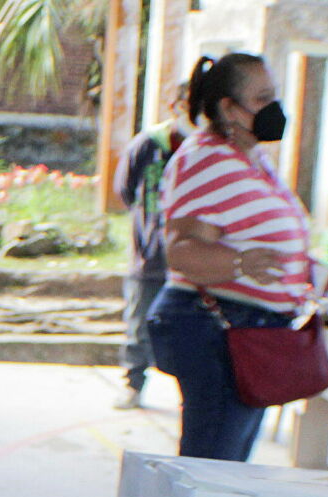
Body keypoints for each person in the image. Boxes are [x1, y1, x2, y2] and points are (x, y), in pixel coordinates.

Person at [149, 53, 328, 461]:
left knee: (228, 463)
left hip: (250, 331)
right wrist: (238, 264)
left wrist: (322, 275)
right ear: (227, 108)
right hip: (216, 328)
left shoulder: (253, 161)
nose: (275, 108)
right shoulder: (204, 161)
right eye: (262, 98)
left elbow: (272, 243)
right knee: (213, 469)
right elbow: (181, 251)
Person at [111, 82, 190, 409]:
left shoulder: (206, 149)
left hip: (190, 260)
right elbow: (125, 189)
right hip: (151, 255)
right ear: (176, 106)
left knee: (189, 330)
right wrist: (150, 227)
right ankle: (134, 384)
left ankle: (189, 393)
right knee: (139, 323)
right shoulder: (148, 145)